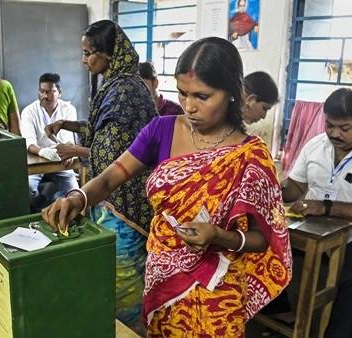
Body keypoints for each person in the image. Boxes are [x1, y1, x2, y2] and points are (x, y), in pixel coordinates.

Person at [43, 37, 292, 336]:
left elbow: (263, 239)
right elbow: (110, 178)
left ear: (231, 94)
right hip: (163, 275)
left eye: (202, 96)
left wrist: (220, 236)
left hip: (218, 291)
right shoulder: (161, 130)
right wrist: (78, 197)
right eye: (183, 94)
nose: (190, 107)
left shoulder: (251, 156)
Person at [44, 20, 158, 326]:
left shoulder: (124, 91)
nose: (84, 60)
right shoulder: (114, 84)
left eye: (88, 53)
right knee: (110, 275)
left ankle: (130, 330)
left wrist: (75, 151)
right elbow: (102, 131)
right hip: (108, 198)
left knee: (124, 282)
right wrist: (66, 125)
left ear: (108, 53)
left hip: (124, 204)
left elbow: (116, 157)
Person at [283, 88, 352, 338]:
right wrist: (273, 186)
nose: (334, 133)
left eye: (344, 128)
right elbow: (296, 187)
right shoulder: (316, 145)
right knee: (261, 243)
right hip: (312, 228)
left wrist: (326, 207)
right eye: (329, 125)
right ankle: (279, 313)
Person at [20, 73, 79, 212]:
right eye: (42, 91)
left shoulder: (69, 109)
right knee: (27, 191)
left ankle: (55, 203)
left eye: (51, 92)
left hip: (61, 159)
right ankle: (47, 207)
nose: (45, 96)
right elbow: (28, 142)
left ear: (59, 92)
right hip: (36, 159)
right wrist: (43, 151)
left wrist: (70, 151)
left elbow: (70, 138)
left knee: (75, 194)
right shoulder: (29, 111)